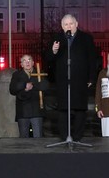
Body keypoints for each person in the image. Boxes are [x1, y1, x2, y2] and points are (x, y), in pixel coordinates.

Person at [44, 14, 99, 142]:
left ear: (76, 24)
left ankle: (78, 137)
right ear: (62, 26)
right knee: (63, 110)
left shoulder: (86, 38)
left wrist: (91, 77)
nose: (69, 26)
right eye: (66, 24)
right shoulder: (56, 38)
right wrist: (53, 51)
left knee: (80, 109)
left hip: (80, 80)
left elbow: (92, 59)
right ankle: (65, 137)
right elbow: (48, 58)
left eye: (71, 24)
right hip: (64, 81)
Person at [9, 55, 45, 138]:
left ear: (33, 63)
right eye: (24, 61)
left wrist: (33, 86)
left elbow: (45, 86)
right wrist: (25, 86)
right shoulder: (17, 75)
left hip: (36, 110)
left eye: (29, 60)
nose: (27, 62)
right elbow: (12, 89)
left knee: (38, 138)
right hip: (23, 111)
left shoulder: (39, 72)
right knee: (24, 139)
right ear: (21, 64)